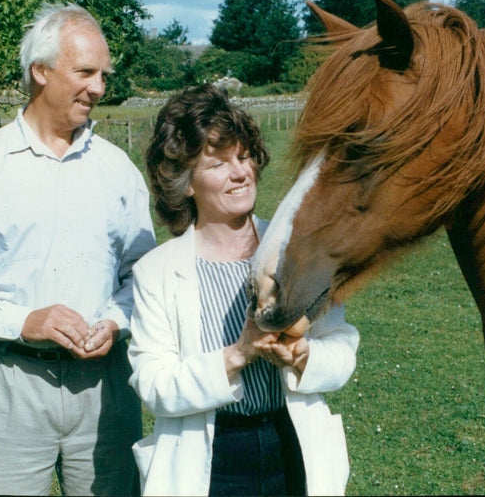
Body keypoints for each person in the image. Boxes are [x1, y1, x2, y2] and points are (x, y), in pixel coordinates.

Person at [0, 3, 156, 495]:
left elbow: (143, 276)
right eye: (85, 72)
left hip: (105, 389)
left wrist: (116, 319)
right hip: (7, 384)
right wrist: (22, 321)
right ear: (40, 71)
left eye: (103, 74)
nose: (100, 88)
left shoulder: (118, 170)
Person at [127, 84, 360, 496]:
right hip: (212, 459)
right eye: (218, 164)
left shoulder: (297, 250)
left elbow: (342, 351)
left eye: (245, 156)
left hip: (292, 445)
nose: (241, 173)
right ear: (185, 183)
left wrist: (303, 355)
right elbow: (154, 385)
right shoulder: (156, 272)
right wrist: (238, 354)